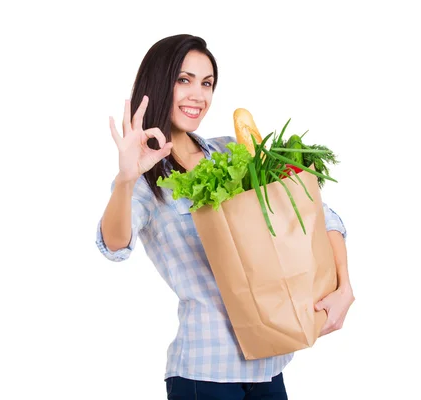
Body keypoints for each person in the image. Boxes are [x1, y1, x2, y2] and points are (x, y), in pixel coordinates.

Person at [95, 34, 354, 400]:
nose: (197, 95)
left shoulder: (231, 151)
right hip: (205, 371)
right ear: (157, 83)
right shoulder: (142, 180)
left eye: (207, 83)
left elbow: (317, 214)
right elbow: (114, 245)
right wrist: (126, 178)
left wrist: (344, 287)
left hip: (270, 363)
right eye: (183, 80)